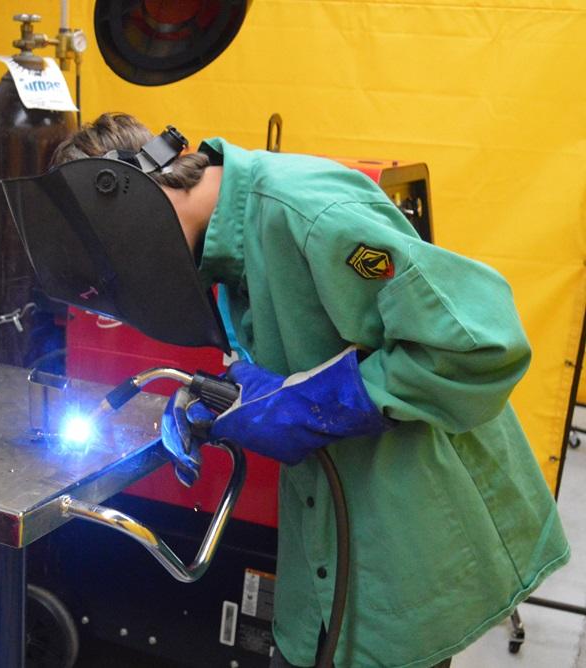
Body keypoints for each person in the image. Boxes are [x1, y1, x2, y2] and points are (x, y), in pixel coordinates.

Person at [49, 113, 570, 668]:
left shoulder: (310, 213)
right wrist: (216, 399)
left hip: (413, 526)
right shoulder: (228, 240)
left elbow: (481, 346)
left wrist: (313, 403)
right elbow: (304, 354)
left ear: (137, 204)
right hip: (328, 538)